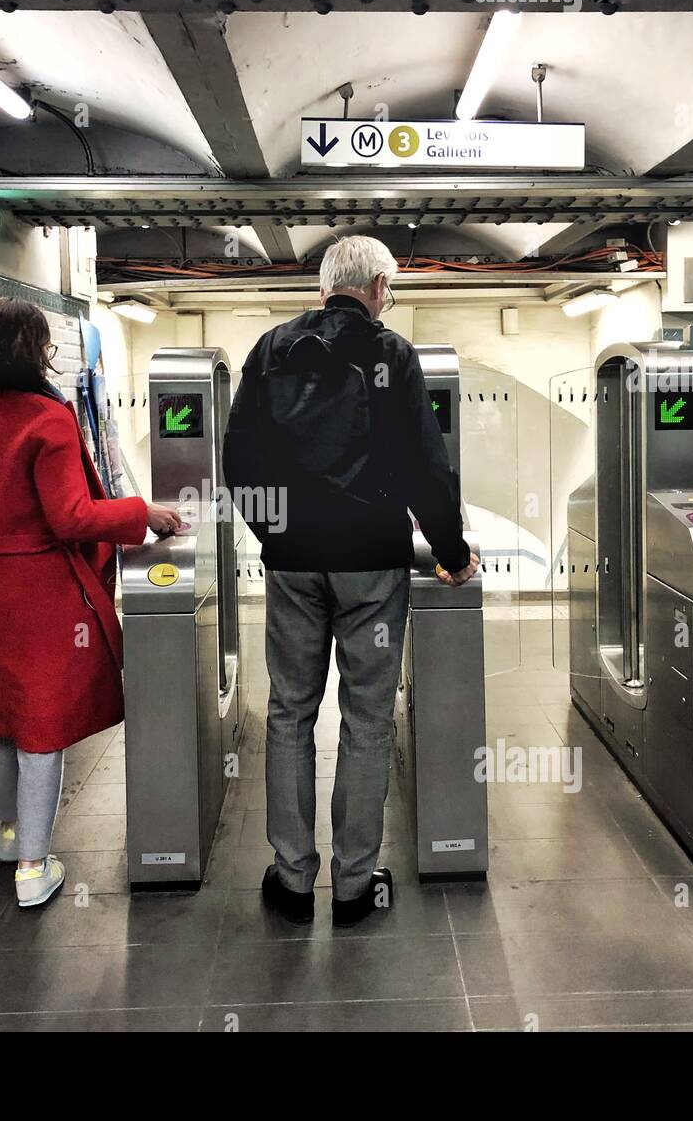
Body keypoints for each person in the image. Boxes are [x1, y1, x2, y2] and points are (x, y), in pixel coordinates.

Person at [223, 235, 480, 928]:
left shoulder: (272, 350)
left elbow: (238, 459)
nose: (387, 300)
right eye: (388, 290)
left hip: (295, 565)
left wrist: (275, 533)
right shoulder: (392, 354)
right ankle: (355, 885)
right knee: (366, 720)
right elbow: (428, 465)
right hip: (372, 563)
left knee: (289, 713)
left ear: (323, 288)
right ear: (374, 288)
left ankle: (291, 877)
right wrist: (451, 550)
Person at [0, 298, 181, 908]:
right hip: (33, 589)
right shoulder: (45, 420)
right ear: (32, 349)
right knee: (41, 724)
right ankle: (33, 866)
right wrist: (140, 514)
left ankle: (5, 831)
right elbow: (70, 516)